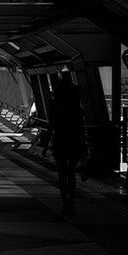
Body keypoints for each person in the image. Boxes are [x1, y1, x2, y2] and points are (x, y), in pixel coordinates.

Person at [50, 72, 86, 215]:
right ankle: (71, 200)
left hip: (60, 139)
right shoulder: (77, 109)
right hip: (74, 140)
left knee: (61, 172)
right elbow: (81, 127)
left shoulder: (56, 105)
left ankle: (64, 200)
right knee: (71, 172)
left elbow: (52, 123)